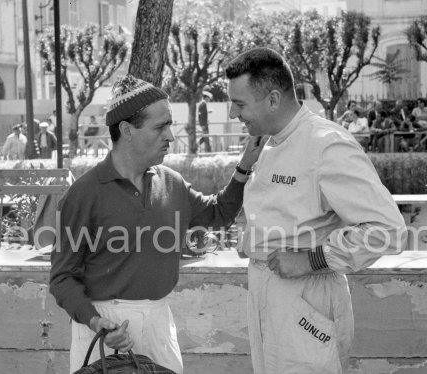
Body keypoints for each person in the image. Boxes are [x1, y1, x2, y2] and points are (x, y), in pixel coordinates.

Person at [49, 74, 265, 374]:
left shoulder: (171, 182)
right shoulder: (84, 194)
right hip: (101, 328)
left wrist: (244, 166)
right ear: (127, 130)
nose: (170, 136)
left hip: (159, 323)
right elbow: (61, 278)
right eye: (160, 126)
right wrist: (96, 320)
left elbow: (218, 215)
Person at [225, 48, 407, 374]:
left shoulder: (326, 144)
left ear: (273, 99)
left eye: (239, 104)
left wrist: (311, 259)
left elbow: (387, 230)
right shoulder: (267, 144)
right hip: (266, 293)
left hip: (306, 295)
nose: (232, 114)